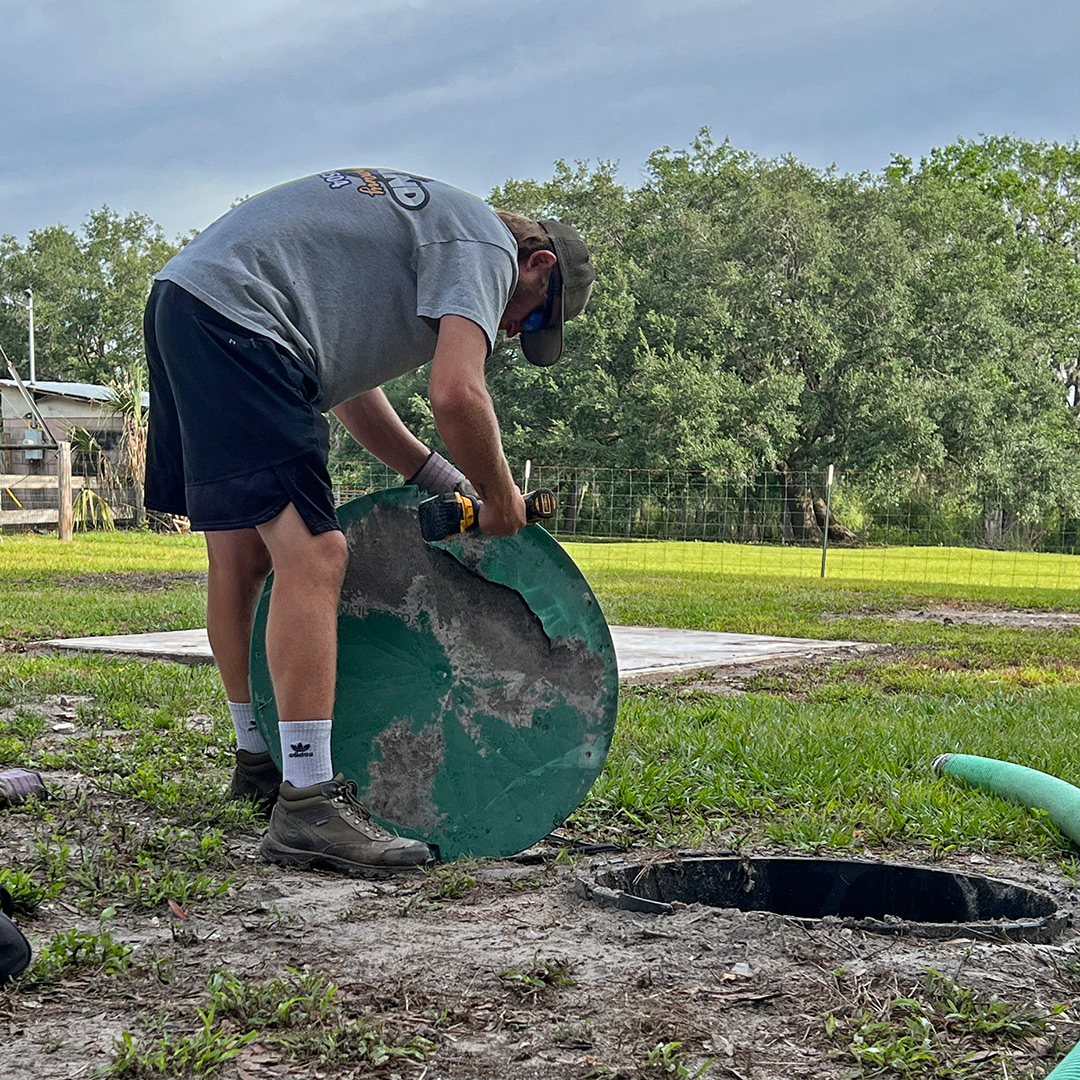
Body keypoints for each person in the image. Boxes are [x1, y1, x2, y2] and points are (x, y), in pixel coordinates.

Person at [143, 167, 596, 875]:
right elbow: (455, 392)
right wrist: (498, 493)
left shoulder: (426, 235)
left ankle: (259, 761)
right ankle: (307, 805)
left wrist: (435, 476)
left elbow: (348, 392)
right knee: (317, 555)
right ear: (536, 265)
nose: (512, 330)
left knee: (241, 559)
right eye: (533, 317)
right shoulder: (488, 248)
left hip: (187, 302)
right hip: (245, 322)